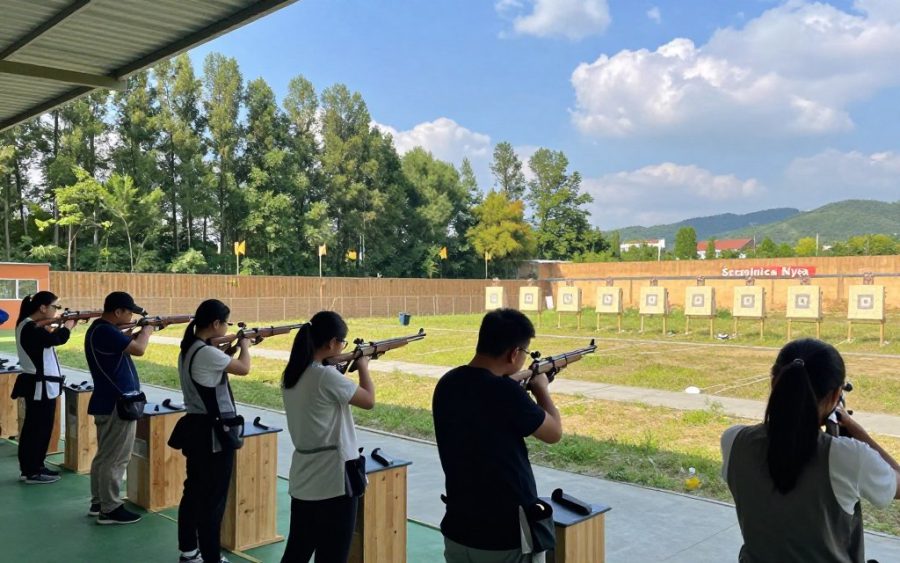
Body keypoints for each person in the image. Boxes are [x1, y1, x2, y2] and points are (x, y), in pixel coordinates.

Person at [721, 338, 900, 562]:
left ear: (774, 382)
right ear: (836, 396)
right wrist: (855, 429)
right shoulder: (849, 457)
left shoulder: (733, 441)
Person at [432, 308, 562, 563]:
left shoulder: (448, 383)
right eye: (524, 353)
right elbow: (553, 433)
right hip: (504, 537)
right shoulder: (506, 392)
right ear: (514, 353)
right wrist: (541, 390)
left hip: (459, 527)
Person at [280, 311, 375, 563]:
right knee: (333, 555)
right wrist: (363, 366)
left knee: (297, 551)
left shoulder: (294, 373)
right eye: (342, 342)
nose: (342, 347)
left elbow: (321, 396)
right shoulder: (325, 376)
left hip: (304, 478)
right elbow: (368, 400)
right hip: (334, 480)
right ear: (332, 343)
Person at [172, 299, 253, 563]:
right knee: (213, 500)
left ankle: (189, 550)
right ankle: (211, 557)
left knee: (194, 491)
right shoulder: (206, 352)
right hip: (213, 434)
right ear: (216, 324)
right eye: (226, 322)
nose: (227, 326)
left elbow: (215, 366)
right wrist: (244, 345)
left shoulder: (191, 348)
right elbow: (244, 368)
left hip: (197, 429)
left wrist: (232, 347)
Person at [85, 291, 153, 525]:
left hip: (109, 402)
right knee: (116, 459)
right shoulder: (104, 331)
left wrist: (138, 331)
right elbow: (139, 349)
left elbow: (125, 343)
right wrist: (147, 330)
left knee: (105, 457)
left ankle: (99, 502)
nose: (131, 316)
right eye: (129, 312)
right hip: (117, 405)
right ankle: (110, 508)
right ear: (118, 312)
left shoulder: (101, 330)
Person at [12, 291, 75, 484]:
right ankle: (31, 470)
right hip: (38, 385)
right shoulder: (31, 327)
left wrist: (57, 325)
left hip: (39, 384)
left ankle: (36, 466)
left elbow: (46, 339)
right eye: (55, 307)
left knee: (40, 427)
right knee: (36, 429)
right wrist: (68, 326)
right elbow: (56, 340)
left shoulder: (29, 325)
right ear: (42, 308)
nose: (57, 310)